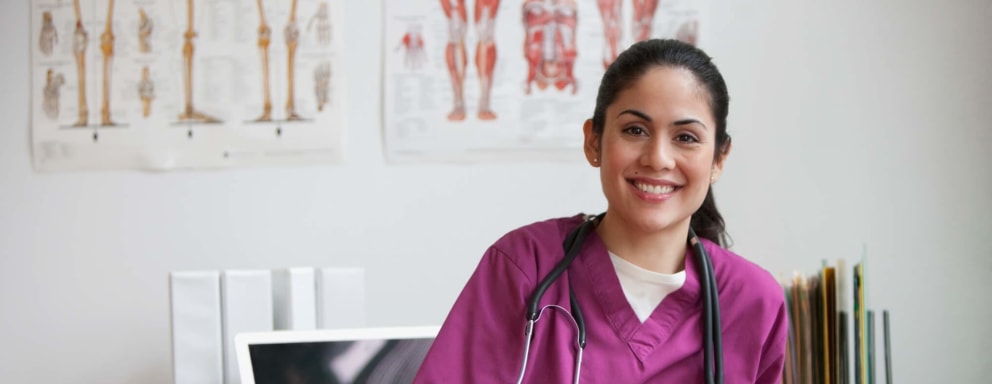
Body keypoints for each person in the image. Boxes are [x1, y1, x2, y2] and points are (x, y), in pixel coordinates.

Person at [413, 39, 788, 383]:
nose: (658, 158)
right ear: (594, 141)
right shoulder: (523, 267)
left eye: (685, 138)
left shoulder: (753, 301)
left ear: (719, 159)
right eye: (635, 130)